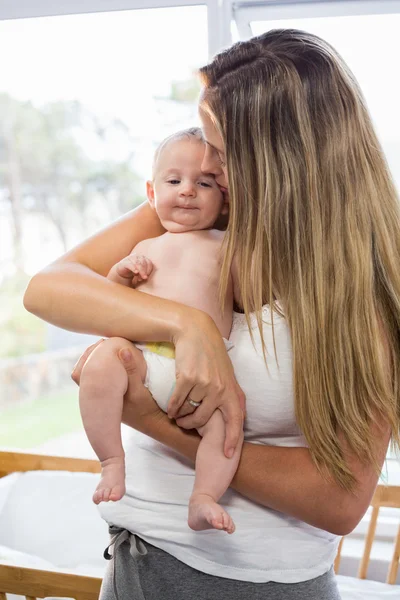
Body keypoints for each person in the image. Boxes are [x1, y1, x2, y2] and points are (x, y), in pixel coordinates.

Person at [23, 29, 400, 600]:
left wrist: (150, 419)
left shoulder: (363, 286)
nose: (202, 161)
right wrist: (187, 324)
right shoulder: (192, 209)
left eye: (220, 151)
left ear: (279, 159)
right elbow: (49, 288)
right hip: (135, 566)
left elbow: (339, 501)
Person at [79, 126, 242, 535]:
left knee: (226, 428)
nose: (187, 190)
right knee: (100, 364)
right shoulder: (146, 247)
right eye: (174, 181)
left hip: (201, 370)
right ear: (152, 193)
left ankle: (203, 496)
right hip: (145, 360)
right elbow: (111, 308)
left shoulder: (227, 246)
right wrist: (120, 275)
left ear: (224, 199)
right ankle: (111, 462)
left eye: (204, 183)